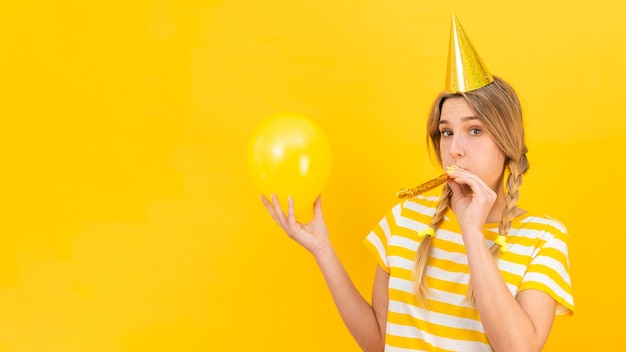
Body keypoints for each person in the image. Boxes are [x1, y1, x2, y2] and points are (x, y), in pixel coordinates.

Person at [261, 13, 573, 352]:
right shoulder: (404, 219)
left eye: (475, 130)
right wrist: (322, 250)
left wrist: (471, 230)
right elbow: (379, 343)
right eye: (446, 132)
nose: (455, 149)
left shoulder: (543, 238)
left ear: (507, 141)